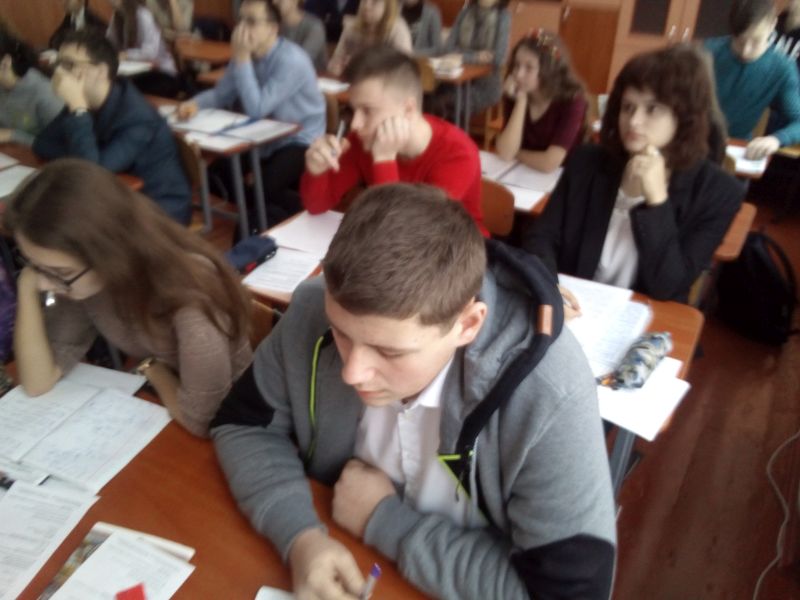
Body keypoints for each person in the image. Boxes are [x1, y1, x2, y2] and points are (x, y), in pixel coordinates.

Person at [210, 183, 617, 600]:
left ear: (468, 325)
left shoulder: (549, 391)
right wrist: (299, 537)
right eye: (342, 333)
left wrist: (384, 520)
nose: (352, 373)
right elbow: (242, 425)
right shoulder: (316, 307)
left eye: (389, 352)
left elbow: (570, 594)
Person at [8, 159, 252, 438]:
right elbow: (38, 381)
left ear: (107, 253)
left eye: (60, 272)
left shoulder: (189, 294)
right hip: (170, 406)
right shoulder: (83, 280)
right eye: (34, 265)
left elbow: (203, 420)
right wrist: (26, 285)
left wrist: (153, 369)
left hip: (235, 419)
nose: (46, 283)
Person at [524, 44, 745, 305]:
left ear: (684, 117)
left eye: (653, 109)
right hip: (574, 304)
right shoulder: (587, 161)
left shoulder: (719, 192)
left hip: (647, 316)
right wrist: (551, 290)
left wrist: (657, 202)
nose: (633, 121)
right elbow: (542, 237)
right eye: (628, 107)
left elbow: (667, 286)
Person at [301, 47, 487, 235]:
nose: (356, 124)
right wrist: (317, 171)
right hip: (390, 244)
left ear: (408, 109)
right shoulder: (363, 139)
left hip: (456, 248)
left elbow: (406, 234)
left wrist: (384, 160)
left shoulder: (457, 154)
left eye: (367, 111)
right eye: (353, 110)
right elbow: (316, 206)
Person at [177, 0, 325, 226]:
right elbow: (221, 94)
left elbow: (257, 108)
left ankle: (287, 210)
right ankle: (271, 209)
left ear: (272, 28)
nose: (242, 29)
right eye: (241, 21)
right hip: (261, 136)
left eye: (252, 22)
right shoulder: (245, 55)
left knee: (262, 189)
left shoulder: (291, 60)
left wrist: (243, 59)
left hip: (299, 138)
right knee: (214, 178)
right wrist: (193, 104)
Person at [34, 30, 192, 225]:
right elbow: (42, 144)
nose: (59, 73)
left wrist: (78, 109)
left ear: (101, 71)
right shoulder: (85, 101)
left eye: (68, 64)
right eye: (57, 64)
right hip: (118, 198)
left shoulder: (138, 117)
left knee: (61, 226)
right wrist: (83, 151)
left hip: (159, 211)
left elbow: (92, 175)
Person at [705, 0, 800, 159]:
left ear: (772, 25)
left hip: (735, 148)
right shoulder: (708, 52)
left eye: (756, 40)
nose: (746, 51)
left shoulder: (782, 68)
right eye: (739, 40)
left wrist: (776, 139)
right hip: (694, 141)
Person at [495, 30, 587, 173]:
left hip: (561, 177)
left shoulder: (572, 101)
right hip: (523, 173)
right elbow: (506, 152)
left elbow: (549, 163)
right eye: (516, 65)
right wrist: (521, 101)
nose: (518, 74)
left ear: (548, 70)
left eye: (529, 68)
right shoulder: (516, 92)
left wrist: (516, 153)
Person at [435, 0, 510, 119]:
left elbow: (499, 58)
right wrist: (475, 57)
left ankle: (454, 129)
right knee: (432, 96)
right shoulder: (464, 13)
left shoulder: (503, 17)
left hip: (485, 84)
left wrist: (461, 55)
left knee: (449, 102)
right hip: (456, 79)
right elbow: (448, 49)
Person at [106, 0, 181, 97]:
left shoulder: (143, 15)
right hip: (137, 74)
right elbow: (109, 42)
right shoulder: (117, 16)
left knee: (123, 89)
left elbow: (150, 52)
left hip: (161, 73)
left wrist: (127, 55)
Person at [0, 33, 64, 145]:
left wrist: (12, 135)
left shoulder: (46, 93)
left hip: (36, 154)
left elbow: (60, 146)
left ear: (5, 63)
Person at [327, 0, 411, 76]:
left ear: (388, 6)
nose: (366, 6)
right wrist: (336, 68)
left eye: (375, 2)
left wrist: (358, 65)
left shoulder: (398, 30)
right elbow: (334, 62)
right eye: (364, 1)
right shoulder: (351, 28)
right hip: (350, 83)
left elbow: (404, 70)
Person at [275, 0, 327, 72]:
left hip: (315, 75)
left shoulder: (314, 26)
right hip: (280, 74)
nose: (275, 2)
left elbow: (301, 62)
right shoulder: (273, 25)